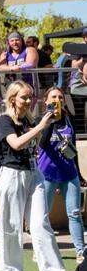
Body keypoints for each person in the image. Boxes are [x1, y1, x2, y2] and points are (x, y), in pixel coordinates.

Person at [0, 81, 65, 271]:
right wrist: (41, 126)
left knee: (40, 223)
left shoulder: (29, 120)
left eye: (30, 97)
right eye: (24, 97)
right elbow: (15, 143)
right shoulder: (4, 121)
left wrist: (47, 124)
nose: (28, 101)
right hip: (12, 173)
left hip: (34, 173)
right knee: (11, 224)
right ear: (13, 98)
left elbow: (35, 144)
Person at [36, 86, 83, 261]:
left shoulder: (69, 120)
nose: (57, 100)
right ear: (46, 101)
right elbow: (41, 144)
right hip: (47, 174)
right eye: (53, 97)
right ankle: (41, 249)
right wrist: (49, 122)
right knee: (42, 214)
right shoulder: (41, 121)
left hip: (69, 174)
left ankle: (80, 250)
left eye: (60, 97)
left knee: (74, 213)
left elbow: (74, 148)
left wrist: (80, 173)